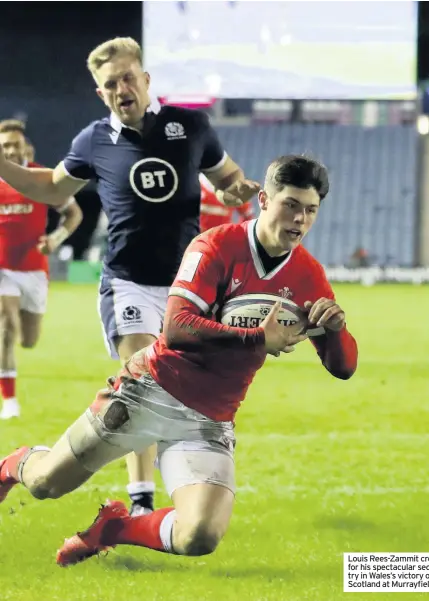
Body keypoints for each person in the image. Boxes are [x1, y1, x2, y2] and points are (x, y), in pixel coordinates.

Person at [0, 154, 358, 565]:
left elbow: (343, 367)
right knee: (46, 483)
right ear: (264, 199)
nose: (299, 219)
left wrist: (335, 330)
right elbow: (177, 327)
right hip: (149, 392)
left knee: (200, 536)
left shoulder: (308, 274)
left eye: (310, 210)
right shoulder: (216, 245)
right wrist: (257, 337)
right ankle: (10, 465)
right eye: (290, 205)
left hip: (210, 419)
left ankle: (112, 528)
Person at [0, 37, 259, 515]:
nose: (121, 88)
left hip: (188, 286)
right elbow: (50, 185)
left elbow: (227, 177)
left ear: (145, 79)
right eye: (109, 84)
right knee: (144, 381)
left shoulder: (191, 126)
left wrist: (235, 189)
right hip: (128, 282)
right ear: (101, 94)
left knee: (180, 389)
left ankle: (48, 468)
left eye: (126, 77)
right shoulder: (94, 141)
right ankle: (141, 505)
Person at [0, 119, 82, 419]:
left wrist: (56, 238)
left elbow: (73, 213)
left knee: (28, 340)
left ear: (26, 147)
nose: (9, 149)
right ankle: (9, 401)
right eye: (4, 145)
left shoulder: (40, 178)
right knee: (6, 327)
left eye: (14, 144)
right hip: (2, 269)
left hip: (34, 269)